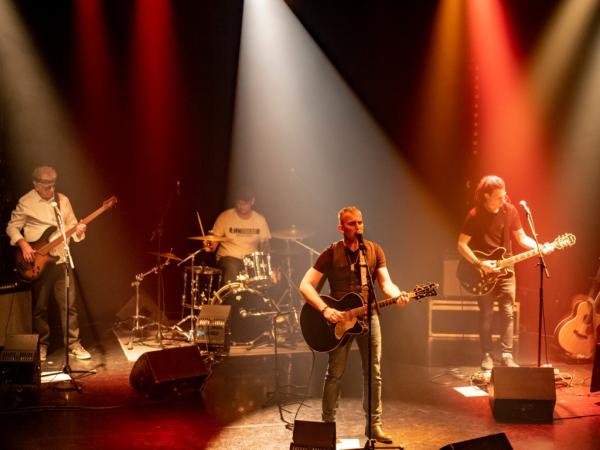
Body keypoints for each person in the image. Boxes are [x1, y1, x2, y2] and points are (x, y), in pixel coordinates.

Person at [299, 206, 409, 444]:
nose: (357, 227)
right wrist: (326, 309)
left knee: (374, 372)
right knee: (335, 374)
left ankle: (374, 425)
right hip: (338, 321)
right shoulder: (330, 253)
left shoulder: (374, 250)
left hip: (368, 317)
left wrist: (398, 294)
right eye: (351, 224)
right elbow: (305, 285)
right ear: (341, 227)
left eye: (360, 222)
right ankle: (327, 426)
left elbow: (386, 284)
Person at [457, 175, 552, 370]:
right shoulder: (475, 215)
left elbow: (522, 238)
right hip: (483, 270)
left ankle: (507, 354)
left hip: (507, 268)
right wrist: (480, 263)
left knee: (508, 312)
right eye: (498, 197)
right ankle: (487, 354)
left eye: (504, 195)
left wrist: (541, 246)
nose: (503, 199)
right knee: (487, 313)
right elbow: (461, 244)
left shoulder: (510, 211)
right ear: (485, 196)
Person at [6, 165, 91, 362]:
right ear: (35, 184)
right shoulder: (26, 202)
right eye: (46, 187)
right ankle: (42, 346)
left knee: (69, 306)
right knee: (40, 308)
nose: (51, 191)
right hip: (38, 262)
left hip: (61, 259)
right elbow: (12, 227)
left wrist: (79, 231)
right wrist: (24, 245)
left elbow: (71, 226)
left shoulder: (63, 200)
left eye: (53, 186)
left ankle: (73, 344)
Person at [204, 186, 271, 285]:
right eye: (239, 203)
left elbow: (266, 247)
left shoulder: (260, 220)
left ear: (252, 201)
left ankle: (252, 299)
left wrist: (266, 258)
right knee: (232, 267)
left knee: (261, 278)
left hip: (250, 261)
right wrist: (209, 246)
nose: (242, 206)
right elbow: (213, 243)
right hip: (228, 257)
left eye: (246, 204)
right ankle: (231, 299)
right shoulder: (225, 217)